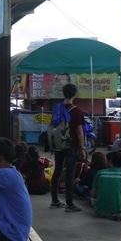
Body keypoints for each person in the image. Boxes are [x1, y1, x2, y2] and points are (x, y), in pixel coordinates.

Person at [50, 83, 87, 212]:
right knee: (70, 174)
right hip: (71, 145)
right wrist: (82, 148)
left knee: (57, 171)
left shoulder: (57, 108)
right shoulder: (77, 111)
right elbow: (79, 130)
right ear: (75, 94)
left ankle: (54, 200)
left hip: (58, 144)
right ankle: (69, 204)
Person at [92, 151, 121, 221]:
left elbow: (93, 193)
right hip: (120, 212)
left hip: (100, 211)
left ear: (110, 161)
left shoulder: (100, 173)